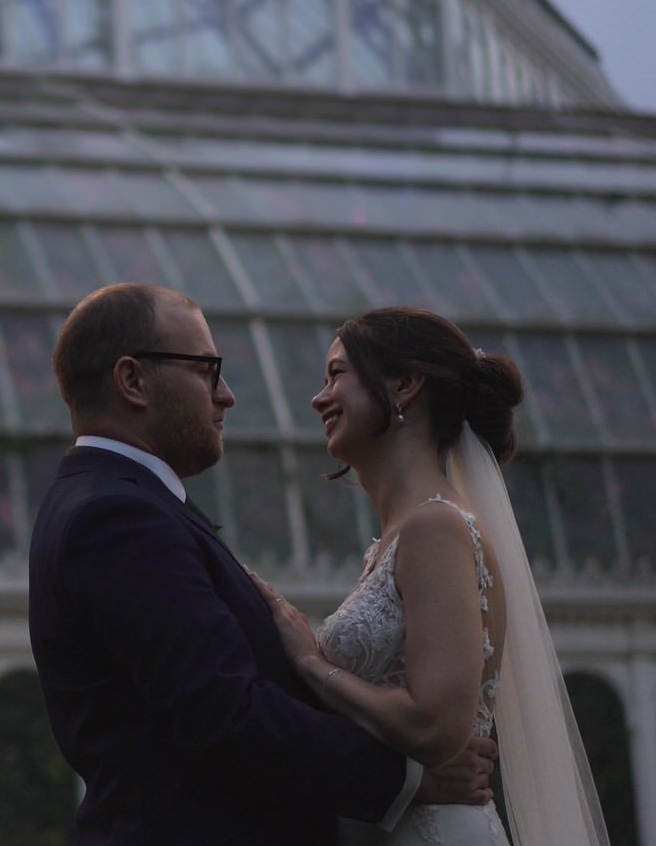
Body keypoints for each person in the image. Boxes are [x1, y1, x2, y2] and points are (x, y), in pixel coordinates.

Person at [28, 283, 496, 846]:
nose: (225, 395)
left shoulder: (123, 506)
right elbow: (220, 710)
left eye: (336, 376)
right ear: (132, 381)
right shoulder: (118, 516)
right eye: (205, 370)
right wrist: (403, 780)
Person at [252, 308, 609, 845]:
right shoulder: (401, 536)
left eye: (337, 374)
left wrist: (309, 662)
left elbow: (435, 725)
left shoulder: (435, 526)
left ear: (404, 385)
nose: (319, 397)